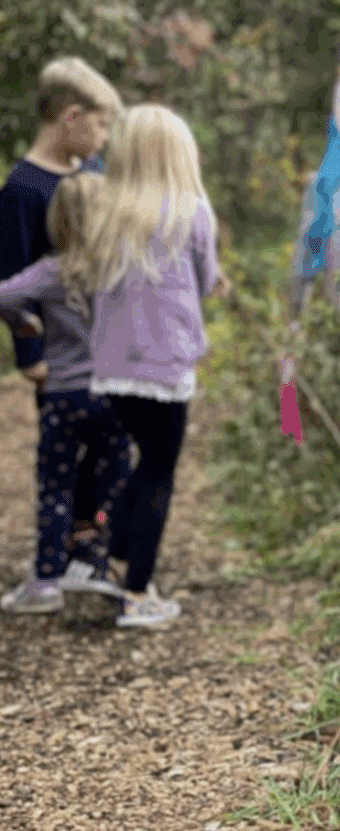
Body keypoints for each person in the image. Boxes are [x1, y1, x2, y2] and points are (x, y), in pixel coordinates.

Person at [84, 104, 228, 627]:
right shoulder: (191, 211)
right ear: (178, 155)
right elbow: (207, 278)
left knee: (147, 462)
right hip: (165, 370)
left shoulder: (106, 212)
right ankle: (138, 594)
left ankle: (116, 560)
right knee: (159, 473)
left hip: (113, 370)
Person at [0, 56, 124, 564]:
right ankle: (63, 546)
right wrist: (29, 352)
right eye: (100, 124)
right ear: (70, 117)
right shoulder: (21, 191)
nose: (104, 136)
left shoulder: (92, 173)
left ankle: (86, 539)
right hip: (60, 361)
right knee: (63, 458)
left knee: (109, 454)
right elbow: (11, 280)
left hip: (109, 355)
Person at [0, 172, 132, 613]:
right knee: (110, 482)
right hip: (115, 395)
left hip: (63, 396)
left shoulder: (50, 271)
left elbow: (5, 296)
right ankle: (95, 565)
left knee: (56, 485)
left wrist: (26, 324)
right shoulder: (123, 269)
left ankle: (46, 580)